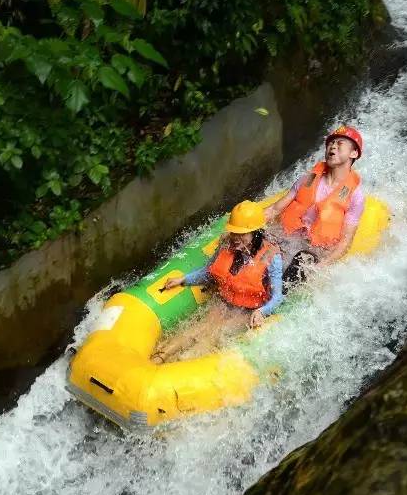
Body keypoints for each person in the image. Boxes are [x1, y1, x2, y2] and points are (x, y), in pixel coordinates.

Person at [151, 201, 285, 363]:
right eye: (234, 232)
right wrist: (183, 280)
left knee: (214, 336)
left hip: (248, 310)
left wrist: (261, 312)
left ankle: (180, 364)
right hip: (225, 301)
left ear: (255, 232)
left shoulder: (271, 256)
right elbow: (209, 272)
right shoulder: (226, 244)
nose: (235, 237)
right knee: (199, 328)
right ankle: (160, 357)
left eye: (241, 234)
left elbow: (277, 296)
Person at [263, 124, 368, 273]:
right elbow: (274, 209)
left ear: (354, 153)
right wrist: (248, 225)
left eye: (339, 143)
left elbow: (345, 242)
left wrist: (320, 267)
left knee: (301, 262)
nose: (332, 146)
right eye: (331, 143)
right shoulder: (307, 179)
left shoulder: (355, 196)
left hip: (315, 251)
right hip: (287, 237)